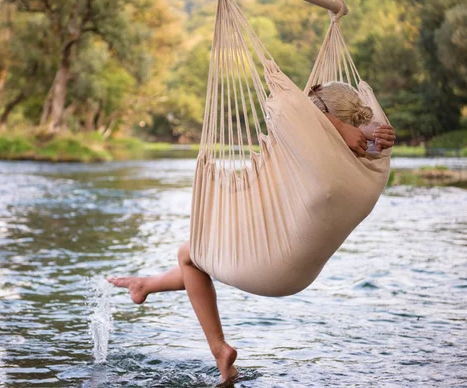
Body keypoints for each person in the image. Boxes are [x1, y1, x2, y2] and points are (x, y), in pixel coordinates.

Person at [108, 82, 396, 383]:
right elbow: (359, 134)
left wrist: (334, 123)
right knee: (200, 258)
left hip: (272, 268)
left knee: (189, 254)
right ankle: (144, 285)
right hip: (301, 275)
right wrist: (363, 132)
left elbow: (282, 105)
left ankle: (220, 350)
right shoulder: (372, 167)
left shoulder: (320, 165)